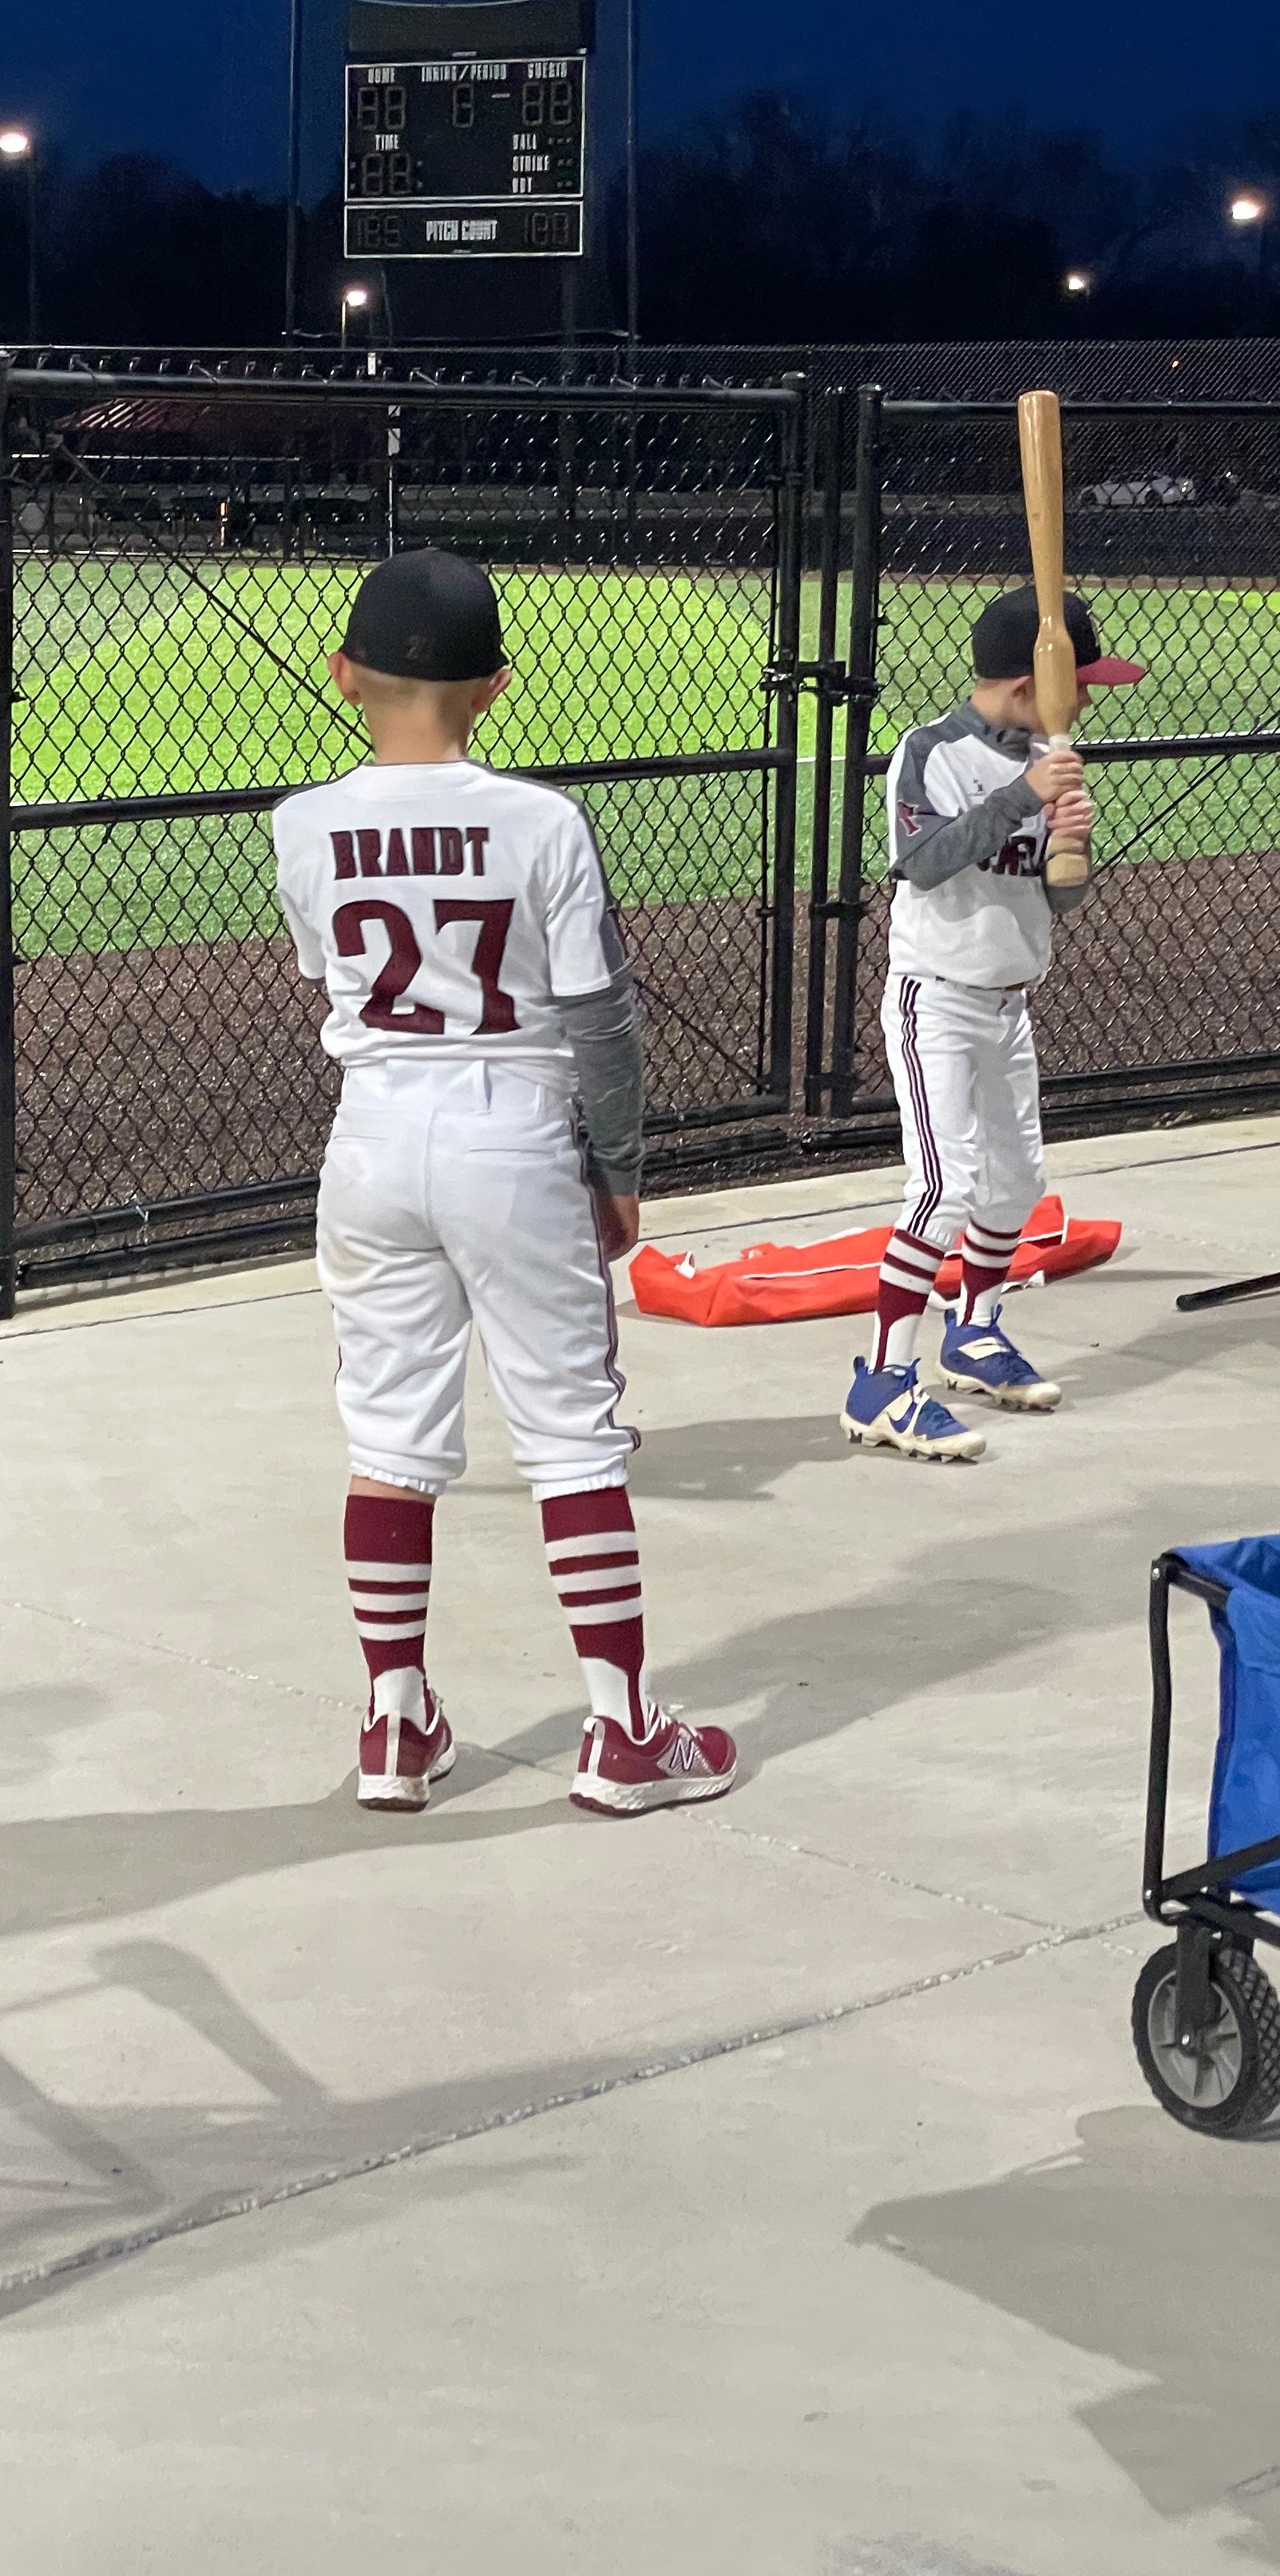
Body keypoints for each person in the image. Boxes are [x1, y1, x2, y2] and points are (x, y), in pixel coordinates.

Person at [271, 549, 737, 1818]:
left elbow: (333, 967)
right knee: (569, 1432)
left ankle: (393, 1723)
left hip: (369, 1138)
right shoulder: (541, 821)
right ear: (494, 685)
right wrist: (617, 1165)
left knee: (387, 1438)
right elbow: (599, 1018)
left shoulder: (299, 824)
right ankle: (621, 1732)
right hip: (511, 1133)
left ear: (341, 675)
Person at [841, 585, 1143, 1463]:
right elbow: (922, 861)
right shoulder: (931, 751)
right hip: (934, 999)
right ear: (1026, 684)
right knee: (942, 1190)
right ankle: (879, 1384)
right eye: (1077, 684)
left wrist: (1068, 844)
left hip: (1010, 1002)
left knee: (1013, 1185)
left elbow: (1059, 896)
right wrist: (1021, 797)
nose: (1085, 700)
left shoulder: (1050, 759)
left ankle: (972, 1332)